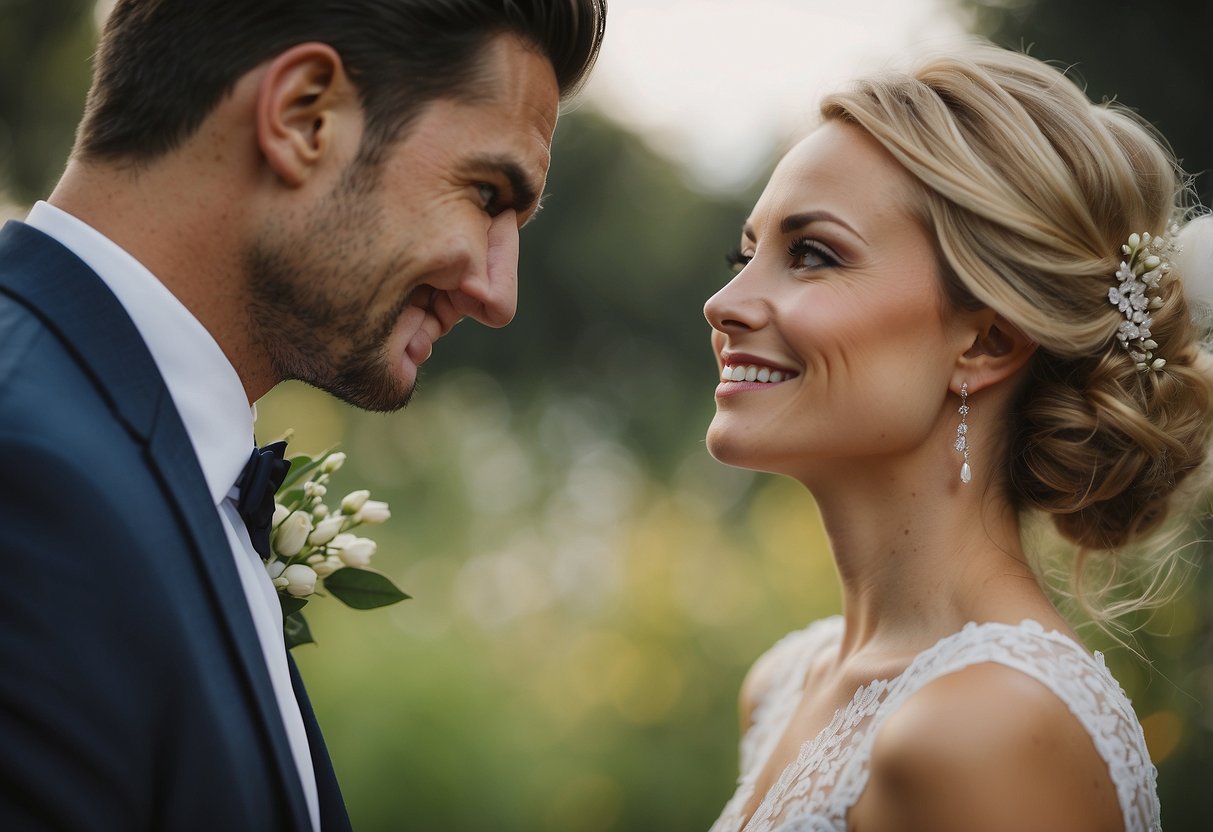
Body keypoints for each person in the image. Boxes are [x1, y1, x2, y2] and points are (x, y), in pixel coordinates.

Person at [0, 1, 605, 829]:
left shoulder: (135, 454)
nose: (497, 294)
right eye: (487, 194)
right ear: (303, 116)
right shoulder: (25, 476)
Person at [703, 41, 1212, 832]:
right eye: (745, 253)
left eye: (810, 255)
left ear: (986, 343)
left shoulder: (987, 730)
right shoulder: (783, 684)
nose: (724, 302)